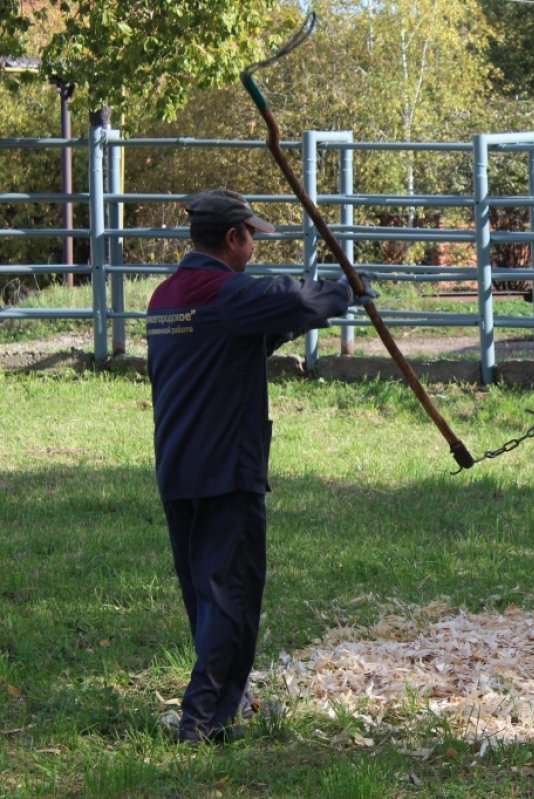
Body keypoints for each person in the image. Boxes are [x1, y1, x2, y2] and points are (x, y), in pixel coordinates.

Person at [147, 189, 373, 743]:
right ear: (232, 239)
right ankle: (199, 722)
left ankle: (230, 703)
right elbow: (293, 301)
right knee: (233, 596)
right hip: (226, 468)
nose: (254, 248)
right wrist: (346, 291)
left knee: (206, 597)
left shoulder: (166, 297)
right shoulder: (225, 291)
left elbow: (256, 332)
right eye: (252, 238)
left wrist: (305, 315)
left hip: (178, 468)